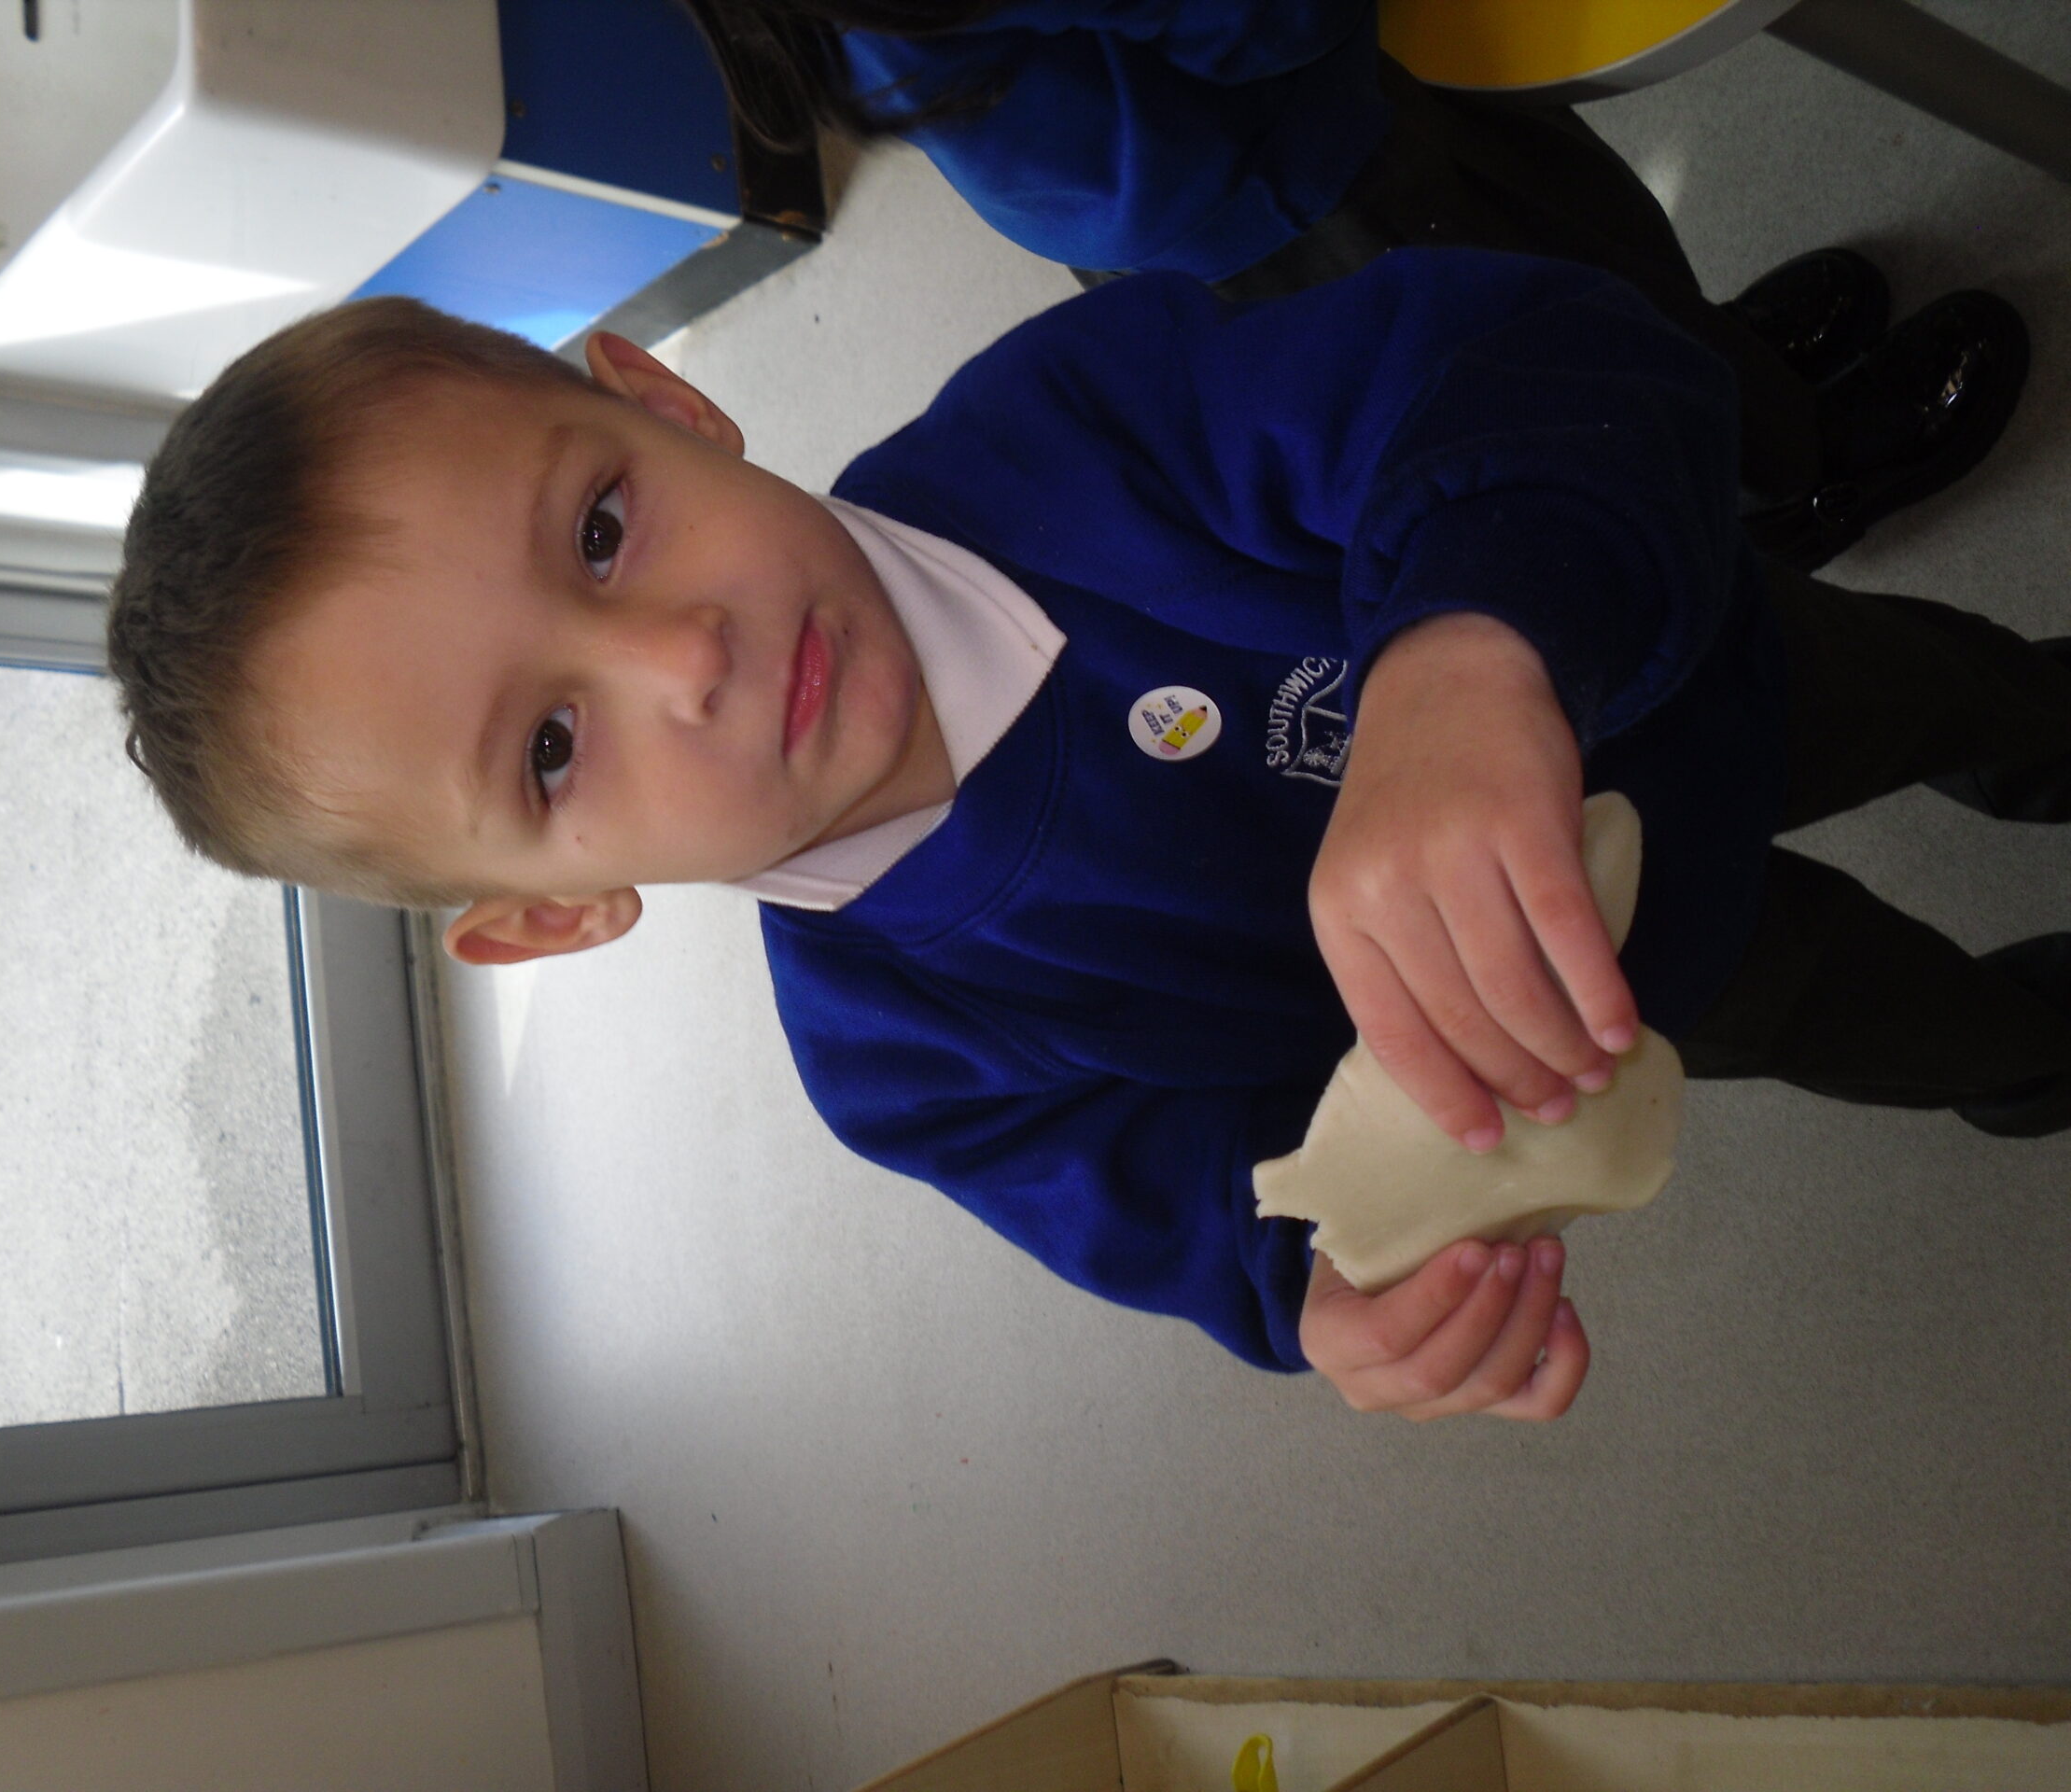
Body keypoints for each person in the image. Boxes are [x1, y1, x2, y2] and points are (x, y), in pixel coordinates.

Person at [106, 258, 2071, 1421]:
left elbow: (1532, 357)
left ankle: (2034, 738)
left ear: (662, 398)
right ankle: (2020, 1051)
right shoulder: (901, 1059)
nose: (683, 658)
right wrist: (1320, 1303)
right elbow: (1175, 1205)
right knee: (1879, 1012)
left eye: (602, 531)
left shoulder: (1077, 429)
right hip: (1624, 994)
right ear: (549, 915)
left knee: (1946, 691)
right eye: (550, 748)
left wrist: (1466, 649)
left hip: (1696, 648)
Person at [679, 0, 2028, 566]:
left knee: (1594, 276)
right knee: (1570, 316)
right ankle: (1783, 484)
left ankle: (1729, 376)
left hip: (1171, 195)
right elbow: (1268, 21)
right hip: (1303, 174)